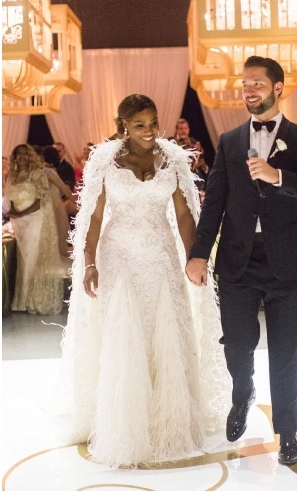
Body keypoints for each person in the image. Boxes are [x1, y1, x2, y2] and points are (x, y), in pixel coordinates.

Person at [54, 94, 230, 468]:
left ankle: (167, 421)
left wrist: (194, 257)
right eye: (140, 125)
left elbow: (184, 215)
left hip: (162, 257)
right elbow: (94, 219)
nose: (149, 131)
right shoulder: (105, 160)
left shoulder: (173, 158)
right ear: (124, 126)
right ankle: (125, 426)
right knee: (125, 337)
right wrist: (89, 263)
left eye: (153, 122)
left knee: (163, 334)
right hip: (119, 258)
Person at [185, 56, 297, 466]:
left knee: (286, 352)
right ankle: (242, 393)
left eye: (257, 84)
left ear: (278, 87)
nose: (249, 90)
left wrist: (277, 176)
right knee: (237, 345)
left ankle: (287, 432)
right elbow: (214, 201)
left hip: (287, 262)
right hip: (237, 261)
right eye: (244, 84)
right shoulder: (230, 141)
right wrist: (199, 253)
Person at [3, 144, 74, 314]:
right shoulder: (13, 176)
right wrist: (13, 212)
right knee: (24, 260)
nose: (22, 157)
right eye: (18, 154)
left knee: (32, 259)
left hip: (36, 219)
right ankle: (21, 300)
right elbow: (9, 197)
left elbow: (41, 199)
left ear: (30, 156)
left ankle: (32, 300)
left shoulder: (39, 173)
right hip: (19, 223)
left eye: (25, 154)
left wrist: (22, 213)